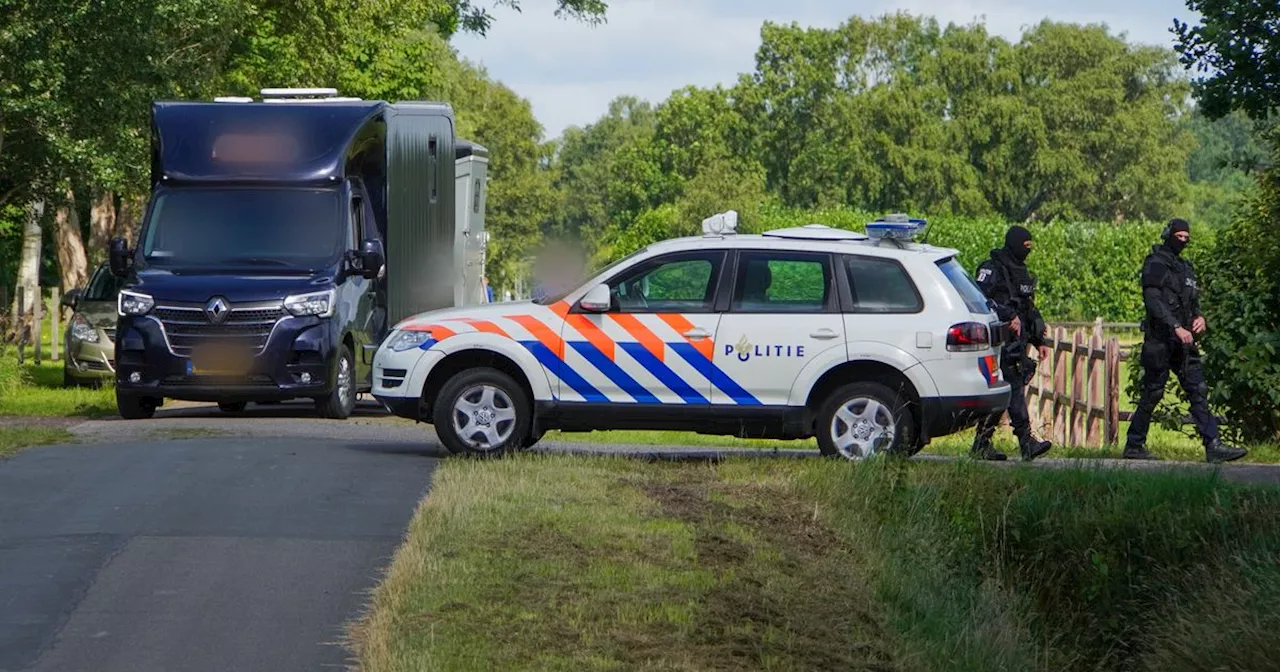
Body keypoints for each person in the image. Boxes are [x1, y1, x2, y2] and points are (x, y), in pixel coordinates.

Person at [1123, 219, 1247, 463]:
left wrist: (1199, 319)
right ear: (1168, 235)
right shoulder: (1156, 263)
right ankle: (1134, 445)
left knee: (1198, 390)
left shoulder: (1186, 268)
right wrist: (1176, 327)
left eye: (1186, 238)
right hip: (1160, 340)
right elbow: (1153, 300)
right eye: (1178, 236)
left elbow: (1193, 304)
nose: (1183, 241)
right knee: (1153, 392)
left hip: (1184, 342)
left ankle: (1213, 445)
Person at [970, 225, 1054, 461]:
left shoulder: (1022, 272)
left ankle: (981, 443)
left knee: (1005, 391)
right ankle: (1026, 441)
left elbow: (1028, 308)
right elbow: (979, 298)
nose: (1027, 250)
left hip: (1019, 343)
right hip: (998, 340)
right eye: (1024, 246)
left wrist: (1040, 340)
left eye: (1030, 247)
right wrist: (1007, 315)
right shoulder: (992, 269)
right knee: (1013, 387)